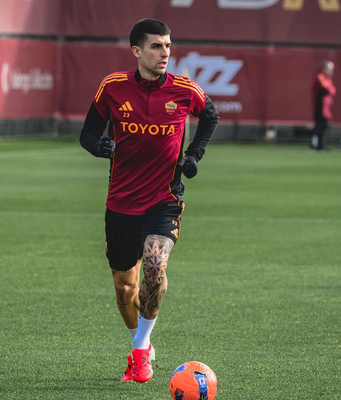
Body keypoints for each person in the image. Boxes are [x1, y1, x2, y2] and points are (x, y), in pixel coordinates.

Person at [79, 18, 219, 383]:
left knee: (155, 265)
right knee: (125, 289)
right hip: (121, 203)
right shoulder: (112, 87)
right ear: (137, 51)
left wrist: (193, 155)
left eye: (168, 45)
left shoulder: (185, 89)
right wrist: (99, 146)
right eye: (157, 46)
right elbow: (87, 134)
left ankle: (140, 351)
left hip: (163, 199)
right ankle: (140, 341)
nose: (165, 52)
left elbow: (211, 116)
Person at [310, 61, 336, 151]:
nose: (331, 71)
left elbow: (332, 90)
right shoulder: (320, 77)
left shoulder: (327, 78)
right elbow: (328, 89)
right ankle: (315, 145)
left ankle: (320, 144)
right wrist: (331, 90)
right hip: (321, 104)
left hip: (326, 106)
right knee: (319, 125)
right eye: (330, 69)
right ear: (324, 69)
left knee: (324, 125)